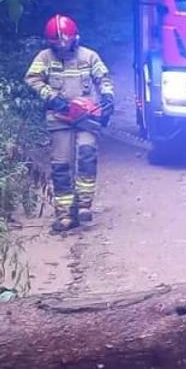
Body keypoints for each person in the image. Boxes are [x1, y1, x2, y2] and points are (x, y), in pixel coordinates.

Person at [25, 14, 114, 232]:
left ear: (75, 38)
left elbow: (103, 78)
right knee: (61, 164)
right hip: (60, 117)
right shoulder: (45, 58)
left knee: (87, 154)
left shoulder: (89, 56)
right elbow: (32, 78)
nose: (63, 47)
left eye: (66, 42)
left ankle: (84, 205)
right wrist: (51, 97)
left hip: (87, 117)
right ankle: (64, 213)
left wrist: (107, 97)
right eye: (57, 44)